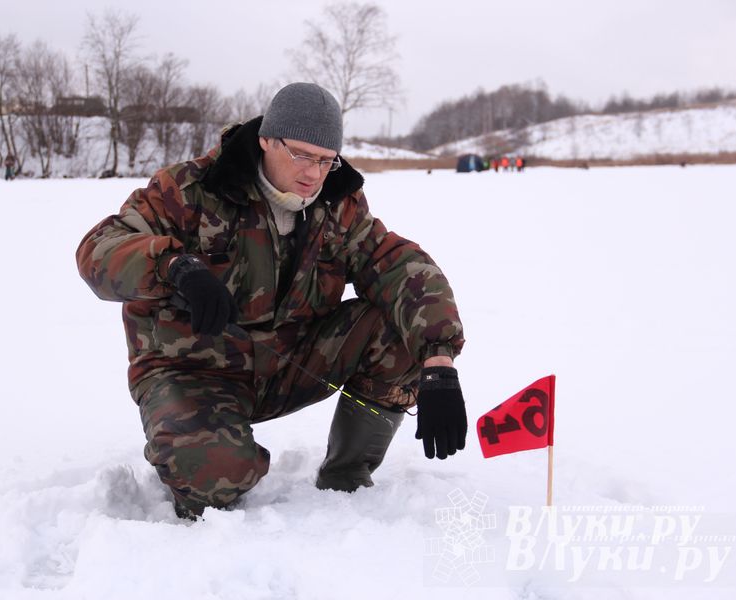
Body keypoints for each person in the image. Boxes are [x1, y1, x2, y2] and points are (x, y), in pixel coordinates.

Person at [76, 82, 467, 520]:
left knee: (398, 325)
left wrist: (439, 363)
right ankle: (214, 449)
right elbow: (99, 250)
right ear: (266, 139)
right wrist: (175, 267)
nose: (314, 173)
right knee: (214, 480)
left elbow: (399, 266)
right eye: (301, 154)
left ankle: (346, 478)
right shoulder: (189, 189)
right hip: (194, 371)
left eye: (325, 159)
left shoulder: (339, 203)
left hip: (290, 363)